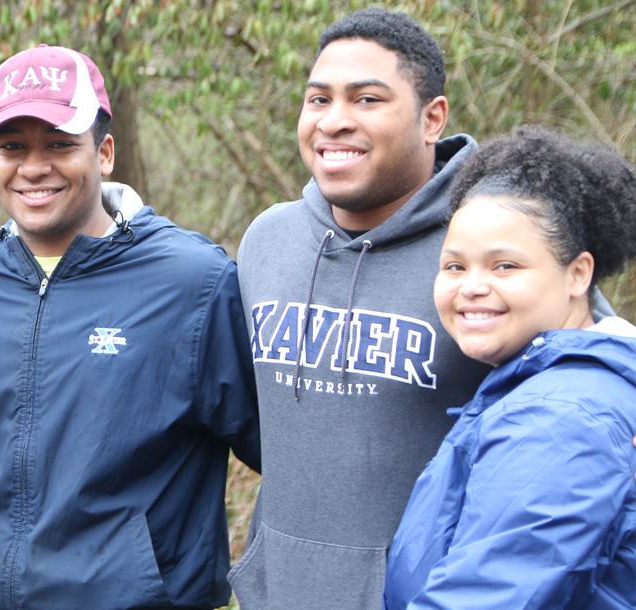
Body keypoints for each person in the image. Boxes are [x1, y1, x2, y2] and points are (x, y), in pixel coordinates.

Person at [228, 10, 614, 609]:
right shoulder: (267, 240)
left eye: (367, 99)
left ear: (433, 117)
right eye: (317, 99)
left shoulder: (489, 250)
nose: (335, 121)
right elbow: (257, 419)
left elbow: (595, 364)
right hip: (278, 592)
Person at [0, 44, 260, 610]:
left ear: (104, 152)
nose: (33, 167)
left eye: (59, 144)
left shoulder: (193, 284)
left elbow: (277, 450)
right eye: (13, 146)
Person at [384, 126, 636, 609]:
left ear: (578, 274)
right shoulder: (550, 385)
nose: (472, 286)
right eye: (455, 266)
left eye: (505, 266)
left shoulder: (560, 417)